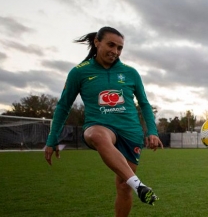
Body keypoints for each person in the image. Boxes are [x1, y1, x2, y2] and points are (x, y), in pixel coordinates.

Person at [44, 26, 163, 217]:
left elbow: (144, 104)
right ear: (97, 42)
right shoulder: (79, 72)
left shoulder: (131, 73)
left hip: (130, 132)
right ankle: (139, 186)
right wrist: (52, 139)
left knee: (124, 187)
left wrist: (152, 131)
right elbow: (63, 106)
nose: (115, 51)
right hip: (99, 127)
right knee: (98, 135)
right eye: (110, 45)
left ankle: (133, 185)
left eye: (119, 48)